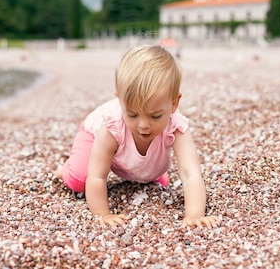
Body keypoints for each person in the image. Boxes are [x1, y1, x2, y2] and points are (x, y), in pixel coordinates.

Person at [57, 44, 220, 229]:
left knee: (152, 178)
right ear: (120, 102)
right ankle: (65, 169)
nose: (143, 125)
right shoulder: (111, 123)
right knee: (80, 180)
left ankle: (143, 171)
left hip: (130, 157)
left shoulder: (176, 125)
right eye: (133, 115)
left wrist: (194, 215)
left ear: (174, 103)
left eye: (155, 116)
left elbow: (191, 174)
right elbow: (97, 176)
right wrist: (102, 214)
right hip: (93, 136)